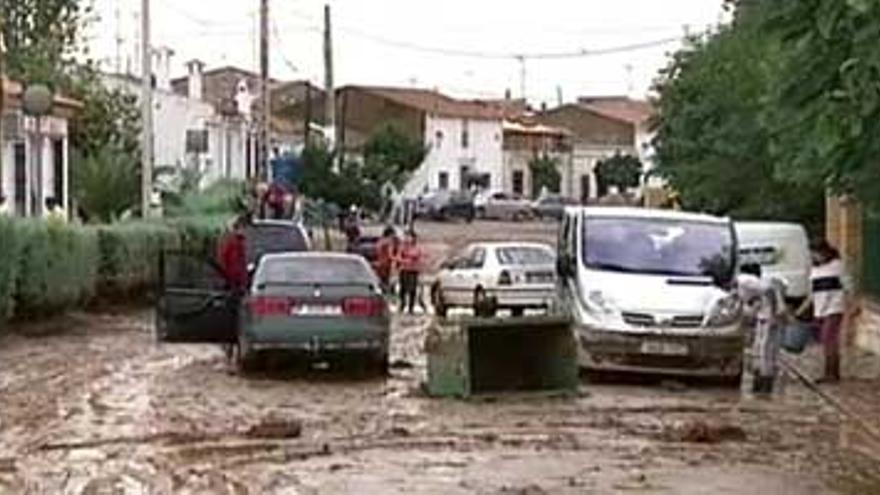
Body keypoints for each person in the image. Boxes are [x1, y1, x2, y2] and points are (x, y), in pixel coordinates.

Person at [799, 241, 853, 383]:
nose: (815, 257)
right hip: (819, 310)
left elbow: (848, 287)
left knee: (829, 339)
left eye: (817, 253)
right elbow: (812, 294)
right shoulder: (814, 271)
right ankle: (830, 371)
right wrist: (801, 310)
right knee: (825, 341)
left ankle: (832, 373)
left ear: (825, 252)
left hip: (834, 308)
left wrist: (851, 305)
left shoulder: (837, 266)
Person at [737, 263, 787, 395]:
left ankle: (765, 383)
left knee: (766, 350)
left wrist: (779, 307)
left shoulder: (745, 280)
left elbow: (772, 288)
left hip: (769, 318)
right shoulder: (751, 285)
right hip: (764, 318)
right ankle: (761, 382)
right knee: (760, 350)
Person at [217, 215, 250, 293]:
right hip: (231, 280)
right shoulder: (232, 241)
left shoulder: (239, 241)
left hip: (236, 280)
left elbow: (241, 262)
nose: (245, 230)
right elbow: (226, 260)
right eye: (243, 227)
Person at [396, 230, 424, 315]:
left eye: (410, 237)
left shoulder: (417, 248)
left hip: (413, 271)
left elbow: (420, 259)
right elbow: (398, 257)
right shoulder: (402, 247)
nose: (408, 239)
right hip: (404, 270)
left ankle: (411, 308)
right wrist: (404, 261)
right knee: (403, 289)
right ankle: (402, 304)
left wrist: (415, 263)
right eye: (406, 237)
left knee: (412, 290)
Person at [374, 226, 400, 294]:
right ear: (391, 234)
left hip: (380, 263)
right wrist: (398, 259)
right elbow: (390, 254)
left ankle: (383, 293)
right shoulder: (389, 242)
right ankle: (387, 293)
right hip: (387, 264)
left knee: (382, 281)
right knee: (387, 281)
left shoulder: (380, 241)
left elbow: (377, 252)